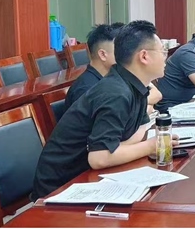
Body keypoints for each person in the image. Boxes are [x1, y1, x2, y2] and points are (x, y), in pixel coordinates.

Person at [32, 20, 173, 200]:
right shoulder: (116, 92)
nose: (165, 57)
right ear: (144, 56)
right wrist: (151, 146)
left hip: (88, 177)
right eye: (162, 51)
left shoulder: (133, 86)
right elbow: (99, 158)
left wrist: (143, 145)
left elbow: (134, 136)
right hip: (61, 189)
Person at [63, 23, 162, 114]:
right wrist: (141, 106)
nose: (126, 54)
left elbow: (156, 95)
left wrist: (136, 105)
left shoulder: (118, 76)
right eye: (119, 49)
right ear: (103, 54)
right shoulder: (86, 89)